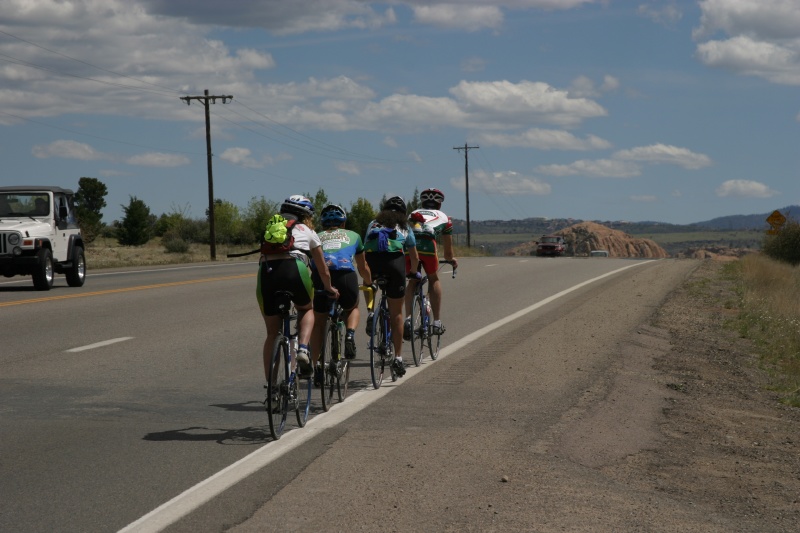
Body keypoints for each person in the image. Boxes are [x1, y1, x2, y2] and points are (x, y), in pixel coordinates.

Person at [257, 195, 339, 385]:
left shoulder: (271, 227)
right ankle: (302, 349)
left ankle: (272, 389)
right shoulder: (308, 230)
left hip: (267, 273)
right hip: (295, 269)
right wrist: (329, 288)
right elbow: (323, 269)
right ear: (306, 215)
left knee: (272, 334)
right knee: (306, 309)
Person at [310, 204, 372, 385]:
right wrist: (369, 282)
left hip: (321, 277)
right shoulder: (354, 236)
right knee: (352, 308)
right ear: (343, 223)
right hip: (346, 276)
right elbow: (363, 267)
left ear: (323, 224)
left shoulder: (315, 236)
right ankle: (350, 334)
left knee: (318, 324)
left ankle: (317, 368)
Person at [363, 196, 420, 377]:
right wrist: (413, 273)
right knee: (396, 314)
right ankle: (398, 358)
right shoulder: (405, 226)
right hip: (394, 264)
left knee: (368, 282)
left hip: (372, 261)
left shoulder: (373, 223)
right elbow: (414, 257)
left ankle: (370, 312)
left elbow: (364, 247)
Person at [404, 187, 458, 338]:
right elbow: (448, 253)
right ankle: (437, 322)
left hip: (410, 247)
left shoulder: (412, 213)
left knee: (412, 280)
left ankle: (408, 318)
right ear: (439, 204)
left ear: (422, 202)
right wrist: (451, 260)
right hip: (428, 246)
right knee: (433, 278)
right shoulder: (444, 217)